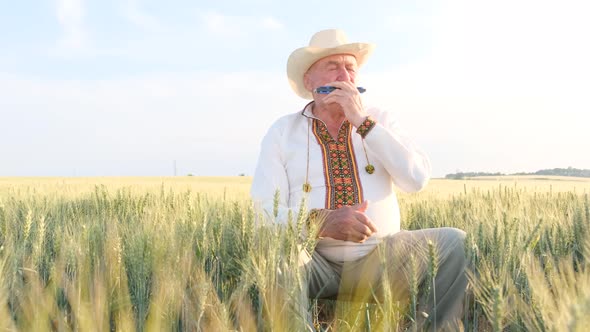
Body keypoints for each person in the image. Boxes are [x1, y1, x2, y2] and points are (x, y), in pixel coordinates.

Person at [251, 29, 468, 330]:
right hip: (313, 263)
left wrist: (364, 123)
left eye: (350, 68)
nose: (344, 75)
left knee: (455, 243)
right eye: (333, 66)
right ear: (309, 81)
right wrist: (319, 221)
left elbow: (416, 179)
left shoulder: (380, 119)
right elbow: (263, 213)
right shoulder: (282, 131)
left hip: (380, 259)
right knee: (274, 253)